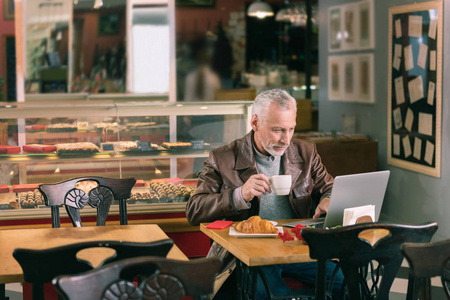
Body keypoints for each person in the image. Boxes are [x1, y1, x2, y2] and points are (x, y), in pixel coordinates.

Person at [186, 88, 343, 299]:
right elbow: (194, 210)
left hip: (297, 248)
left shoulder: (306, 153)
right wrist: (239, 195)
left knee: (347, 281)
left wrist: (327, 199)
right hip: (249, 253)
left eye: (291, 129)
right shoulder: (223, 158)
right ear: (255, 123)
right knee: (271, 293)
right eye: (278, 130)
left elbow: (329, 187)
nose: (286, 140)